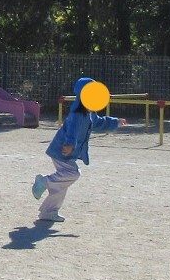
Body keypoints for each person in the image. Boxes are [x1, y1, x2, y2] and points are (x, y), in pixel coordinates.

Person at [32, 77, 123, 224]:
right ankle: (44, 181)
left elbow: (99, 123)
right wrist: (69, 144)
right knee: (73, 173)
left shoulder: (89, 112)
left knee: (61, 184)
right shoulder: (78, 112)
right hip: (62, 150)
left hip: (69, 151)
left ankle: (48, 212)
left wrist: (115, 122)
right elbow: (72, 129)